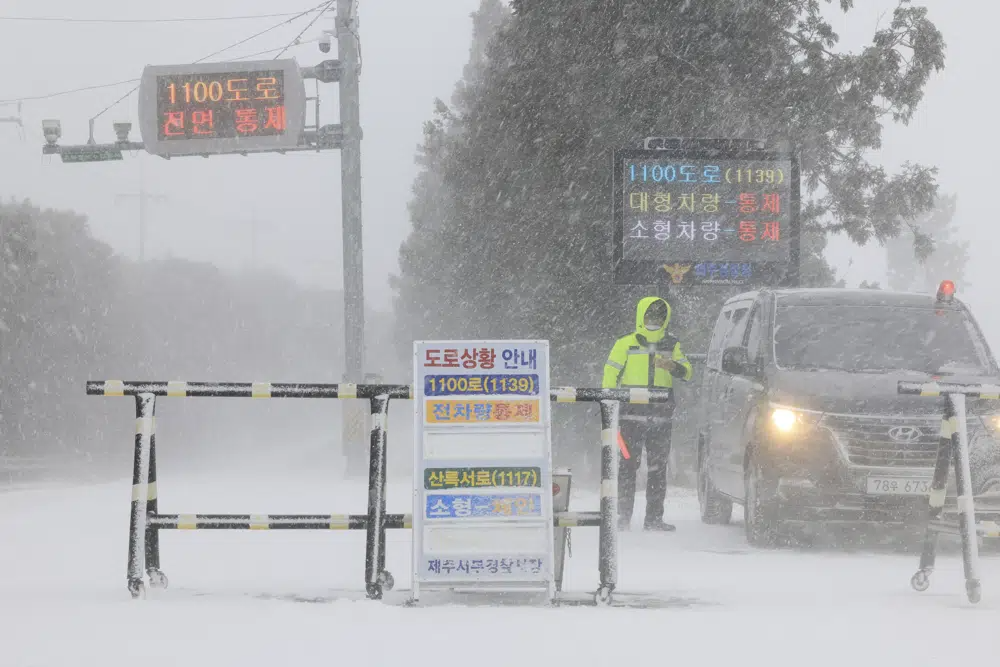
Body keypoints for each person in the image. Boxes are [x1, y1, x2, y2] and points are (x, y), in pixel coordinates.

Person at [602, 296, 692, 531]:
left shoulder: (672, 345)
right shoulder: (625, 344)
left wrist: (674, 366)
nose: (653, 321)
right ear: (641, 317)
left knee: (657, 469)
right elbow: (610, 375)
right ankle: (623, 517)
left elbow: (688, 372)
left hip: (660, 416)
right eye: (649, 316)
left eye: (658, 317)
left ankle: (653, 519)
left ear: (666, 319)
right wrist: (609, 403)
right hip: (630, 417)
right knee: (627, 467)